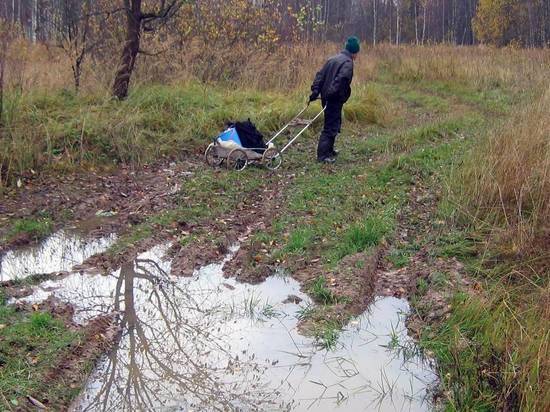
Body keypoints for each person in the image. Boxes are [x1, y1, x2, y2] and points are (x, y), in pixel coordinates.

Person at [309, 36, 360, 164]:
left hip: (327, 98)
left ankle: (329, 151)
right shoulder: (347, 63)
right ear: (355, 51)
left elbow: (320, 76)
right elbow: (341, 81)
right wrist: (332, 94)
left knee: (334, 124)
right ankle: (322, 156)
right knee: (330, 126)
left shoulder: (332, 59)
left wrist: (316, 91)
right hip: (333, 99)